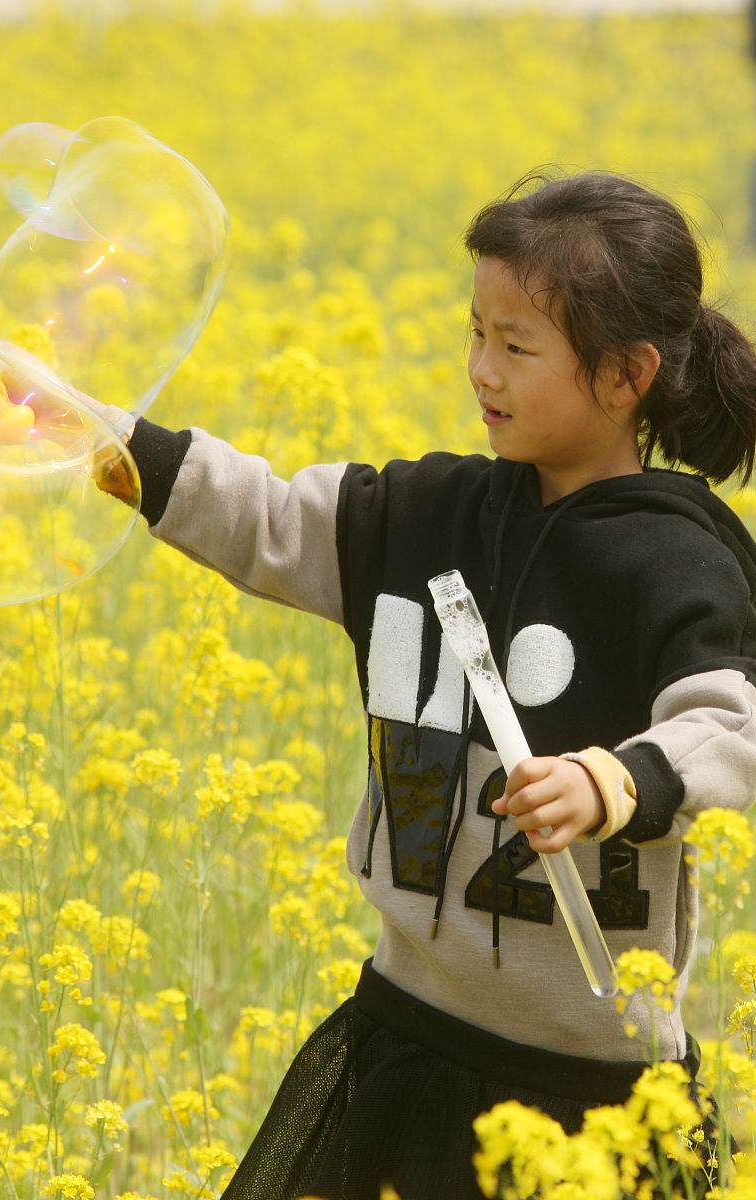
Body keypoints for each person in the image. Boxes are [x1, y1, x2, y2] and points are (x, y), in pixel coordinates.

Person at [113, 171, 756, 1199]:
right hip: (405, 1043)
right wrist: (100, 442)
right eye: (474, 334)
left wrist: (611, 782)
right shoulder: (427, 513)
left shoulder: (673, 559)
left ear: (624, 375)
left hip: (593, 1087)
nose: (478, 369)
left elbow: (731, 723)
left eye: (514, 345)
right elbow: (269, 518)